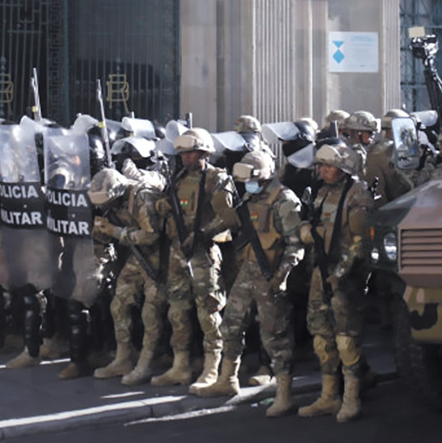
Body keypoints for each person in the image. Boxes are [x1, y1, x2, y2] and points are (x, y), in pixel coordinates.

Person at [191, 152, 304, 418]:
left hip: (271, 273)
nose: (246, 186)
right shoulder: (250, 197)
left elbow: (295, 244)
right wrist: (203, 233)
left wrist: (283, 274)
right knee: (231, 323)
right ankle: (227, 379)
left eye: (249, 181)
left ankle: (285, 393)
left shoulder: (284, 200)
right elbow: (232, 220)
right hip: (248, 269)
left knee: (274, 335)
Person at [152, 128, 235, 388]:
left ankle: (212, 367)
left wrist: (202, 234)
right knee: (177, 311)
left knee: (208, 313)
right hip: (178, 252)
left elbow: (229, 218)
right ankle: (181, 365)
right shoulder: (177, 178)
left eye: (191, 153)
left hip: (203, 254)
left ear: (203, 152)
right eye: (183, 153)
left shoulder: (216, 179)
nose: (186, 158)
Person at [298, 143, 374, 423]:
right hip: (321, 272)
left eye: (328, 166)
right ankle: (329, 396)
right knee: (321, 335)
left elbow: (360, 243)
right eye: (321, 166)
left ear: (343, 168)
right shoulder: (322, 192)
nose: (323, 170)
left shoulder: (358, 195)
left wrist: (339, 273)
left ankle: (351, 397)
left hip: (345, 278)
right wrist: (306, 229)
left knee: (346, 338)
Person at [88, 168, 169, 384]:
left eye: (108, 202)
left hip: (161, 259)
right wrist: (101, 236)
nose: (106, 207)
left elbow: (152, 235)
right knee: (119, 303)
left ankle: (146, 363)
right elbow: (105, 236)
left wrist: (116, 232)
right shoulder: (110, 204)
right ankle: (123, 357)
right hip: (137, 256)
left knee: (151, 312)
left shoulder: (142, 197)